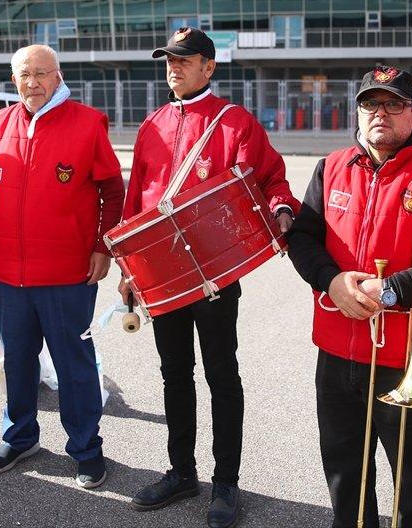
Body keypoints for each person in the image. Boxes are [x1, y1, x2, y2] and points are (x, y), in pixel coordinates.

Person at [287, 66, 412, 528]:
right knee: (344, 474)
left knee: (411, 480)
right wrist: (332, 282)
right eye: (370, 104)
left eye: (393, 103)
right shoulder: (331, 166)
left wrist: (393, 290)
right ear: (358, 112)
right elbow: (302, 239)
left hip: (404, 356)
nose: (380, 113)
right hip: (335, 355)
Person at [122, 27, 298, 528]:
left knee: (222, 374)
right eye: (168, 60)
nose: (173, 68)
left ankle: (226, 481)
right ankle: (182, 472)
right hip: (162, 274)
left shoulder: (234, 122)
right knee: (173, 374)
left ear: (209, 66)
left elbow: (271, 178)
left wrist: (282, 209)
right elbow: (136, 202)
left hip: (215, 271)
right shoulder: (152, 124)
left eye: (184, 59)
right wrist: (130, 268)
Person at [0, 45, 125, 488]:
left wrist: (104, 247)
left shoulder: (86, 122)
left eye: (43, 73)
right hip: (8, 273)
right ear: (14, 79)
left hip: (67, 273)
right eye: (25, 74)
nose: (33, 82)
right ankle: (20, 437)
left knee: (73, 363)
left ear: (58, 77)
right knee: (17, 360)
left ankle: (86, 447)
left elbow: (112, 193)